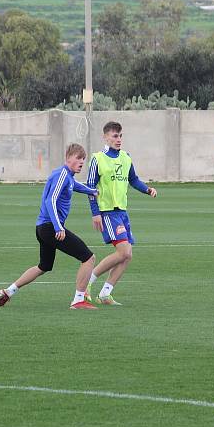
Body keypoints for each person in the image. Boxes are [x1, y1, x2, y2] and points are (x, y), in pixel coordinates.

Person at [0, 143, 98, 310]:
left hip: (42, 228)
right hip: (51, 228)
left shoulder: (67, 177)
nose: (81, 162)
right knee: (88, 258)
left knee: (44, 266)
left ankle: (8, 291)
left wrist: (92, 191)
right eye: (78, 158)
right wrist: (59, 227)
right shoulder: (62, 175)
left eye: (83, 159)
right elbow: (50, 200)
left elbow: (75, 186)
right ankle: (78, 300)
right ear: (68, 158)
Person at [84, 121, 158, 305]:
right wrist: (95, 212)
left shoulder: (126, 157)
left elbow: (133, 179)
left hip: (122, 212)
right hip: (107, 212)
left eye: (120, 136)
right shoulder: (98, 159)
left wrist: (147, 189)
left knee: (128, 255)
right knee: (123, 251)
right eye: (115, 136)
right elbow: (90, 187)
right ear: (106, 137)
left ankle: (105, 294)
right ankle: (87, 282)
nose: (118, 139)